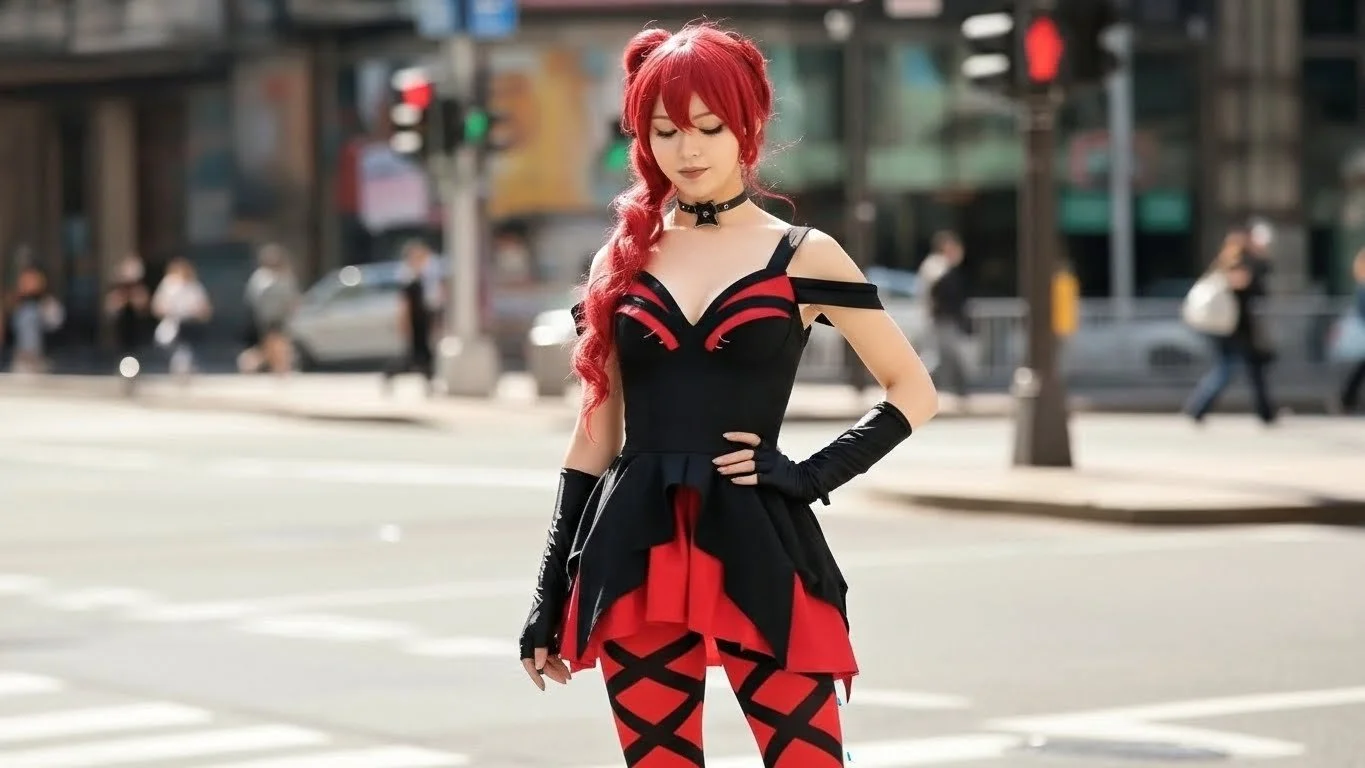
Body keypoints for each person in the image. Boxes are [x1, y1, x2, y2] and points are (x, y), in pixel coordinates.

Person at [516, 24, 939, 768]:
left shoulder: (805, 253)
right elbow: (593, 439)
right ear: (643, 138)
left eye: (710, 126)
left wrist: (809, 476)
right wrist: (547, 594)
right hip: (633, 550)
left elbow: (912, 391)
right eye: (666, 130)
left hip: (756, 539)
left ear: (748, 124)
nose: (689, 149)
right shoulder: (619, 259)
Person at [1182, 227, 1276, 425]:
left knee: (1253, 369)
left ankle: (1266, 412)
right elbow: (1252, 286)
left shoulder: (1226, 264)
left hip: (1238, 327)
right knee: (1227, 368)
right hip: (1234, 328)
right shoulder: (1238, 265)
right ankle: (1198, 407)